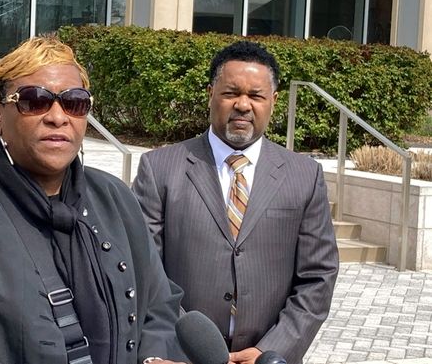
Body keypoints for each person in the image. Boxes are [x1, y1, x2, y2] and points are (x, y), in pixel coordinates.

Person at [0, 36, 187, 364]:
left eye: (75, 102)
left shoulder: (114, 197)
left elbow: (159, 304)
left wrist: (154, 356)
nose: (57, 116)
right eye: (35, 100)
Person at [132, 41, 339, 364]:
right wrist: (164, 350)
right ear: (211, 93)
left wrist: (273, 349)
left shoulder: (304, 175)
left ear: (273, 101)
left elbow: (318, 276)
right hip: (180, 355)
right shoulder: (159, 169)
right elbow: (143, 271)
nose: (243, 105)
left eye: (255, 95)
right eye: (231, 93)